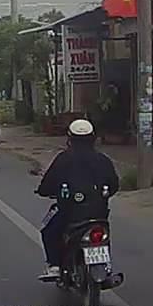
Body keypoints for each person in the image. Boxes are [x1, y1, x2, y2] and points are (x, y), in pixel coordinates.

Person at [35, 119, 119, 280]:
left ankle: (55, 265)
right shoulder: (103, 159)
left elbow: (48, 183)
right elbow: (114, 185)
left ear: (70, 138)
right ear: (92, 137)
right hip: (98, 212)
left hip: (69, 213)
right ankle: (106, 266)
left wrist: (43, 191)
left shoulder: (63, 159)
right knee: (102, 234)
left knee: (48, 230)